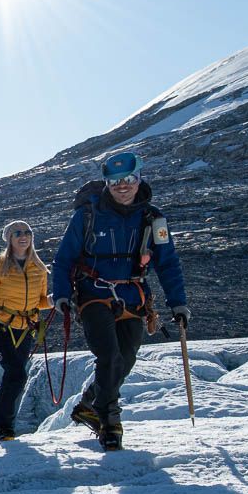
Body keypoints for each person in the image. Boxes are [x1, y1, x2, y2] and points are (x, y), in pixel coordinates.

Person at [50, 150, 188, 451]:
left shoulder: (154, 219)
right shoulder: (87, 215)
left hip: (133, 298)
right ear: (106, 183)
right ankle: (110, 425)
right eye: (114, 181)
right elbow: (64, 259)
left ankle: (89, 403)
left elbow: (167, 263)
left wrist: (178, 302)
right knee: (109, 356)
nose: (122, 186)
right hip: (93, 295)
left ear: (139, 179)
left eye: (128, 179)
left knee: (125, 360)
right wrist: (61, 294)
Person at [0, 220, 53, 441]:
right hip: (0, 326)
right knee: (17, 374)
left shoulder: (39, 269)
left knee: (15, 376)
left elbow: (39, 301)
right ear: (9, 239)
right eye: (18, 233)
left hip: (26, 328)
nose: (23, 236)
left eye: (27, 232)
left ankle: (2, 427)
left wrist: (52, 301)